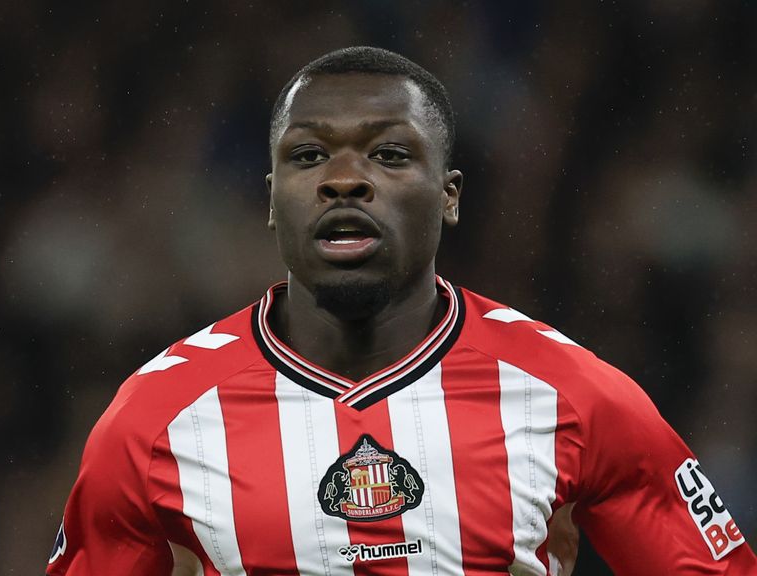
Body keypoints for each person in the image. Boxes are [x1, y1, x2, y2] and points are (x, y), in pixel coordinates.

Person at [46, 46, 755, 576]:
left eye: (387, 154)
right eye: (308, 155)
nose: (343, 179)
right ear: (271, 198)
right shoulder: (154, 419)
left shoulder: (576, 395)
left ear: (449, 195)